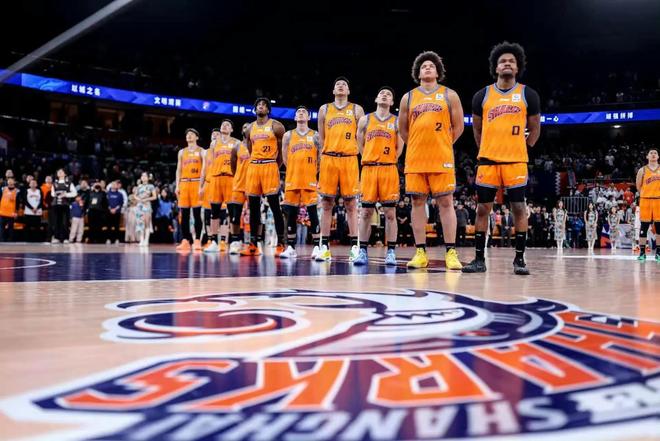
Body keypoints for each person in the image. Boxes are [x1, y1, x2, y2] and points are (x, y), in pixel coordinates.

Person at [462, 42, 541, 275]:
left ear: (517, 68)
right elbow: (477, 129)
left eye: (511, 61)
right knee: (482, 209)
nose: (507, 64)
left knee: (519, 208)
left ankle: (519, 260)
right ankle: (479, 259)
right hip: (488, 161)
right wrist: (486, 149)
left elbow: (535, 129)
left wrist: (522, 148)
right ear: (495, 68)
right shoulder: (482, 95)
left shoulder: (528, 94)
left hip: (515, 161)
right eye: (502, 61)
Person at [398, 51, 465, 269]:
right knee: (417, 203)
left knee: (446, 202)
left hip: (441, 157)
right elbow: (403, 130)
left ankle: (451, 252)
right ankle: (420, 253)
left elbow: (459, 127)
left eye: (431, 66)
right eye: (423, 66)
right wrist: (417, 144)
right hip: (416, 158)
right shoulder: (408, 97)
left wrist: (442, 143)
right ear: (418, 73)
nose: (427, 68)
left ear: (438, 72)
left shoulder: (449, 95)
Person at [316, 77, 365, 262]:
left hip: (349, 159)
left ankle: (355, 247)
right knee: (326, 204)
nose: (341, 85)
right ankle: (324, 247)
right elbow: (322, 137)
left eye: (344, 84)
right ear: (333, 90)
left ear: (348, 91)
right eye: (338, 84)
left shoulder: (357, 109)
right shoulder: (324, 109)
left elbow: (362, 135)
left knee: (351, 205)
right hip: (329, 158)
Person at [354, 87, 404, 265]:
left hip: (388, 169)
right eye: (382, 93)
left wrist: (387, 161)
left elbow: (399, 148)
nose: (384, 95)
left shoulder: (397, 122)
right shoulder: (365, 120)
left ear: (392, 102)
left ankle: (391, 252)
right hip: (369, 169)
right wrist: (369, 158)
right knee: (366, 212)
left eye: (388, 94)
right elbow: (360, 144)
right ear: (376, 99)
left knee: (390, 213)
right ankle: (362, 251)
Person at [240, 98, 286, 256]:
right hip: (254, 166)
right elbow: (250, 149)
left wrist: (274, 165)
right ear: (255, 109)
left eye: (264, 105)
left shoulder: (276, 126)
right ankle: (253, 245)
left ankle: (281, 244)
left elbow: (282, 151)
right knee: (253, 208)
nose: (261, 106)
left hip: (269, 165)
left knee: (275, 206)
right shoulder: (249, 128)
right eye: (258, 105)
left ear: (268, 110)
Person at [280, 106, 321, 258]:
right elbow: (285, 158)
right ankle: (291, 247)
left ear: (309, 117)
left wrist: (312, 171)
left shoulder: (315, 135)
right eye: (298, 112)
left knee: (312, 212)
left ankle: (317, 247)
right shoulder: (288, 135)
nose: (301, 113)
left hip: (309, 178)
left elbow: (320, 158)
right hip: (293, 178)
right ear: (295, 117)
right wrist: (293, 169)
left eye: (304, 112)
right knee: (291, 213)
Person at [200, 121, 239, 253]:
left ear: (232, 129)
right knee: (214, 212)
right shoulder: (213, 144)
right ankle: (214, 242)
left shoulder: (237, 143)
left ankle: (234, 242)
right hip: (216, 178)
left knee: (232, 212)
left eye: (228, 125)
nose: (224, 126)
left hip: (230, 178)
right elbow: (210, 164)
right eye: (223, 124)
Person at [175, 128, 205, 252]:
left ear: (197, 137)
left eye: (192, 134)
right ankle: (185, 240)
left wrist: (202, 186)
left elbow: (204, 170)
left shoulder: (202, 151)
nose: (189, 136)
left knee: (197, 214)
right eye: (187, 134)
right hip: (184, 183)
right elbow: (178, 170)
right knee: (184, 214)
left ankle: (197, 240)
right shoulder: (182, 152)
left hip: (196, 182)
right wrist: (177, 185)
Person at [228, 124, 251, 254]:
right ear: (242, 130)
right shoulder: (237, 146)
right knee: (235, 215)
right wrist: (238, 176)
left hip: (253, 185)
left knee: (255, 216)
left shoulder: (257, 145)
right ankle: (235, 241)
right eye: (244, 127)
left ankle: (254, 242)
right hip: (239, 185)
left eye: (249, 127)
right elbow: (232, 165)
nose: (246, 129)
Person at [635, 148, 660, 262]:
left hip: (658, 200)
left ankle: (658, 253)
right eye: (651, 153)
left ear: (658, 156)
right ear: (647, 156)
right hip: (645, 200)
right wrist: (645, 194)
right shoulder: (642, 170)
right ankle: (642, 253)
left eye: (655, 153)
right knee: (644, 227)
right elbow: (638, 186)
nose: (653, 155)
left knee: (659, 228)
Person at [50, 169, 77, 244]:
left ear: (65, 174)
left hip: (65, 204)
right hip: (56, 205)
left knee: (65, 222)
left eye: (61, 172)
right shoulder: (54, 183)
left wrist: (66, 194)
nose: (59, 173)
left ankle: (65, 238)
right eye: (58, 172)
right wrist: (56, 194)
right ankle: (56, 237)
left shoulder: (69, 183)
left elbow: (75, 193)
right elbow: (52, 193)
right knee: (56, 222)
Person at [135, 172, 157, 247]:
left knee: (147, 223)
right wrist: (139, 199)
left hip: (147, 205)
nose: (143, 177)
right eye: (142, 176)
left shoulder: (151, 186)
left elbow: (154, 197)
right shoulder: (139, 186)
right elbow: (135, 195)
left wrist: (146, 199)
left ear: (148, 178)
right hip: (140, 206)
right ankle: (141, 239)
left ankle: (146, 240)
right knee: (140, 223)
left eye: (145, 176)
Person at [0, 177, 19, 242]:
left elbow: (18, 202)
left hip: (11, 212)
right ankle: (2, 239)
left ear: (14, 182)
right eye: (9, 181)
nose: (10, 183)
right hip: (2, 212)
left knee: (11, 228)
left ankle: (10, 240)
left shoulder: (17, 191)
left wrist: (16, 211)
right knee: (1, 227)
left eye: (11, 181)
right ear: (7, 182)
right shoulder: (3, 189)